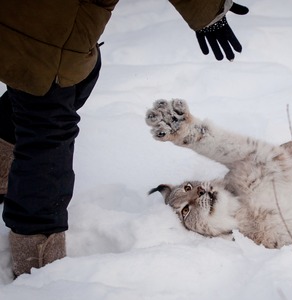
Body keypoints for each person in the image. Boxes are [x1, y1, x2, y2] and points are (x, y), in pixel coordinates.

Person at [0, 0, 248, 277]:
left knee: (71, 77)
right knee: (49, 125)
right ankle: (37, 266)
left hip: (44, 23)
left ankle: (2, 165)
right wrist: (207, 11)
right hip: (43, 26)